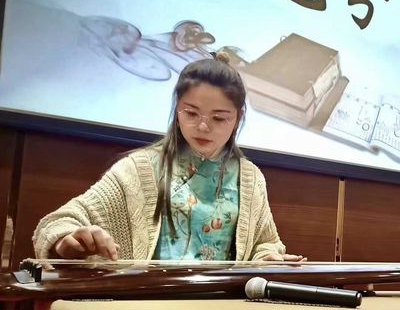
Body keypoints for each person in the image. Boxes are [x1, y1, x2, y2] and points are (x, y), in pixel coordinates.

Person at [33, 52, 305, 263]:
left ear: (238, 118)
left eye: (219, 118)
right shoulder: (139, 169)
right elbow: (58, 222)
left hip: (223, 303)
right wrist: (69, 240)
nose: (203, 126)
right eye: (191, 113)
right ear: (177, 110)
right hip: (149, 302)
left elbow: (264, 243)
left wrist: (266, 258)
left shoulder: (249, 177)